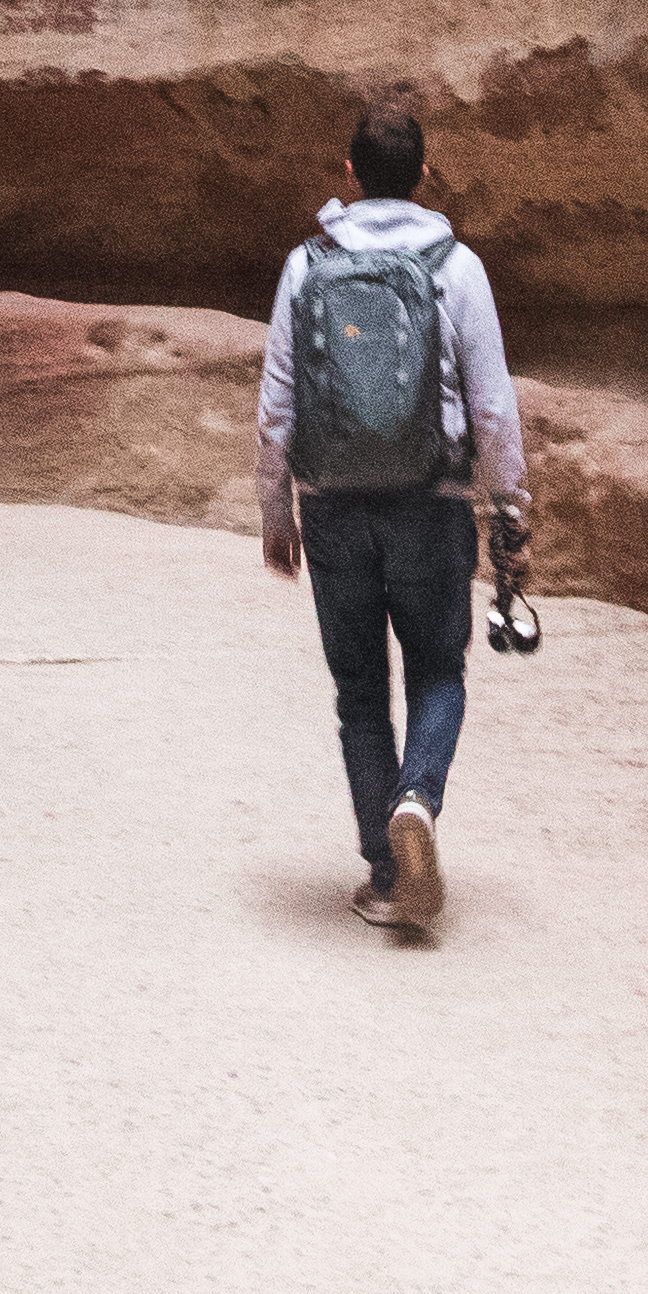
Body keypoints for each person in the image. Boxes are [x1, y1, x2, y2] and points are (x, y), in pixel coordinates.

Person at [255, 88, 525, 934]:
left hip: (334, 508)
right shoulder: (457, 268)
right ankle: (418, 798)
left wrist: (277, 516)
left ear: (349, 173)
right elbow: (492, 409)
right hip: (432, 502)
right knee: (439, 670)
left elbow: (276, 408)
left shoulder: (307, 264)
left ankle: (384, 871)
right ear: (425, 175)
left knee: (360, 692)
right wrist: (510, 509)